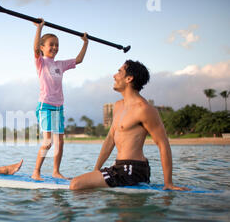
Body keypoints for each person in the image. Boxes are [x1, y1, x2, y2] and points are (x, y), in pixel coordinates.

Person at [70, 60, 189, 191]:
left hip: (132, 169)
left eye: (119, 71)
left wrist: (168, 183)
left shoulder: (144, 109)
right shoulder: (118, 106)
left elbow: (163, 144)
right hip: (119, 167)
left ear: (129, 78)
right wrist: (95, 171)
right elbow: (110, 140)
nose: (114, 76)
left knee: (76, 184)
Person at [31, 19, 89, 181]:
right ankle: (36, 171)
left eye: (57, 45)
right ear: (43, 48)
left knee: (60, 142)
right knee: (47, 142)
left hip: (59, 107)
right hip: (45, 106)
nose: (55, 48)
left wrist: (85, 43)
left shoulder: (60, 64)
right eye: (51, 44)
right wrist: (39, 29)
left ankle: (56, 171)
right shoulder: (41, 63)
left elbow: (79, 60)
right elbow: (35, 48)